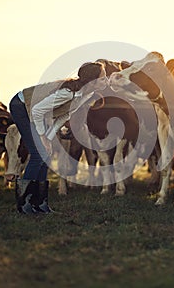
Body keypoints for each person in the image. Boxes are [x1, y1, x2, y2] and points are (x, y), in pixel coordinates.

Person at [9, 61, 107, 214]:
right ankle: (24, 205)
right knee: (37, 155)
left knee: (46, 155)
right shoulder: (68, 92)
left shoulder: (85, 94)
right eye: (103, 78)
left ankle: (40, 204)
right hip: (22, 106)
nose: (106, 80)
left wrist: (48, 138)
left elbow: (64, 115)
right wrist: (42, 136)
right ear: (92, 81)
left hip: (37, 112)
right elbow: (37, 111)